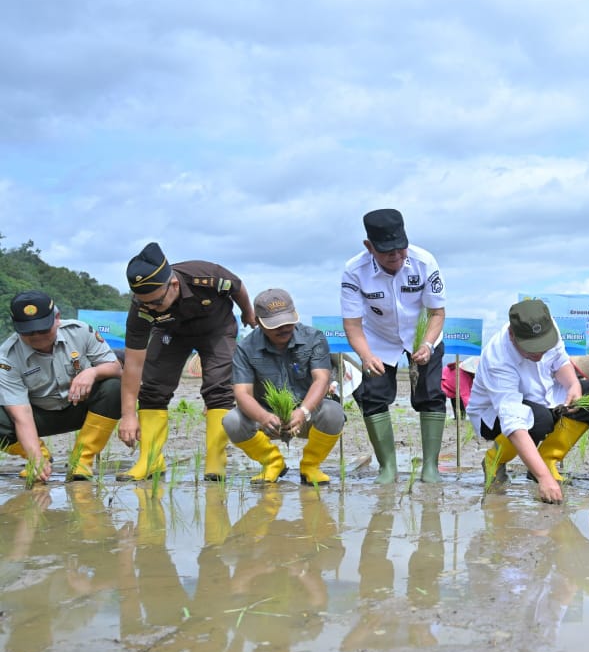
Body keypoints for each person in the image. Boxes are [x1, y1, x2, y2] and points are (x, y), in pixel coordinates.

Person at [117, 242, 255, 481]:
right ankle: (150, 462)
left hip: (217, 329)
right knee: (153, 388)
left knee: (218, 388)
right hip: (171, 331)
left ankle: (215, 463)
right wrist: (128, 415)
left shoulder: (205, 276)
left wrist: (247, 312)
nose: (150, 307)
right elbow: (133, 365)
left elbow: (238, 287)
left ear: (172, 284)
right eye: (144, 302)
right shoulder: (141, 307)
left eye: (156, 302)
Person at [341, 208, 447, 483]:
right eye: (388, 251)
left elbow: (437, 313)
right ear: (369, 246)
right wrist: (365, 356)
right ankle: (387, 467)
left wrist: (426, 344)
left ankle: (430, 467)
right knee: (372, 396)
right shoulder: (354, 271)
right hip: (377, 338)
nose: (397, 256)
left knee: (431, 395)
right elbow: (352, 325)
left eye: (401, 248)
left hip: (423, 335)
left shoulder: (425, 262)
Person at [466, 300, 589, 504]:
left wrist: (573, 384)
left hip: (542, 397)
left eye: (543, 347)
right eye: (531, 349)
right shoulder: (498, 357)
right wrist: (544, 479)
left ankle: (547, 459)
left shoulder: (547, 326)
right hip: (493, 415)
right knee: (539, 420)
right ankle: (495, 459)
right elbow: (513, 422)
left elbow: (560, 360)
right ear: (512, 335)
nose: (539, 353)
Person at [223, 288, 346, 485]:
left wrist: (303, 411)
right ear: (259, 321)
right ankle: (272, 463)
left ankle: (310, 466)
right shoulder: (246, 348)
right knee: (232, 420)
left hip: (306, 414)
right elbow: (242, 392)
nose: (284, 328)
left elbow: (321, 379)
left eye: (288, 321)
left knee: (334, 412)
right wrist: (264, 418)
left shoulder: (314, 338)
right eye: (275, 324)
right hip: (267, 418)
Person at [0, 291, 122, 482]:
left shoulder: (80, 332)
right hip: (39, 416)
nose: (37, 336)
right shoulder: (8, 357)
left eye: (43, 329)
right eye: (28, 332)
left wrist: (92, 372)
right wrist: (36, 457)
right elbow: (21, 414)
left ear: (57, 318)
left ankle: (81, 460)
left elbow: (116, 368)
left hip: (80, 408)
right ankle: (41, 460)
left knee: (115, 387)